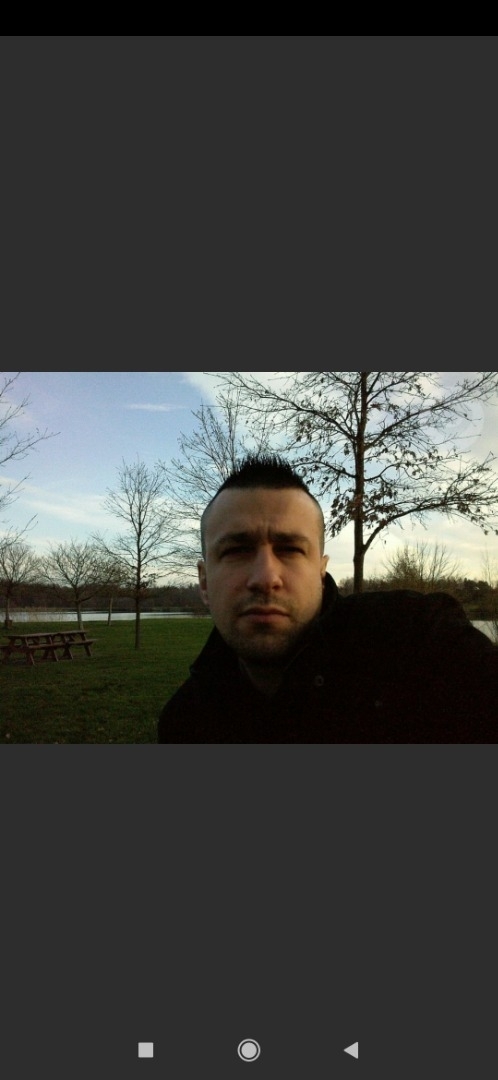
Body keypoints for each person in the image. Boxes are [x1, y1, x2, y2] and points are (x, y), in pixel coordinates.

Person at [158, 454, 497, 743]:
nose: (265, 578)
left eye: (290, 549)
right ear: (204, 582)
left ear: (321, 573)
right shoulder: (184, 723)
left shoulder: (420, 642)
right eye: (236, 550)